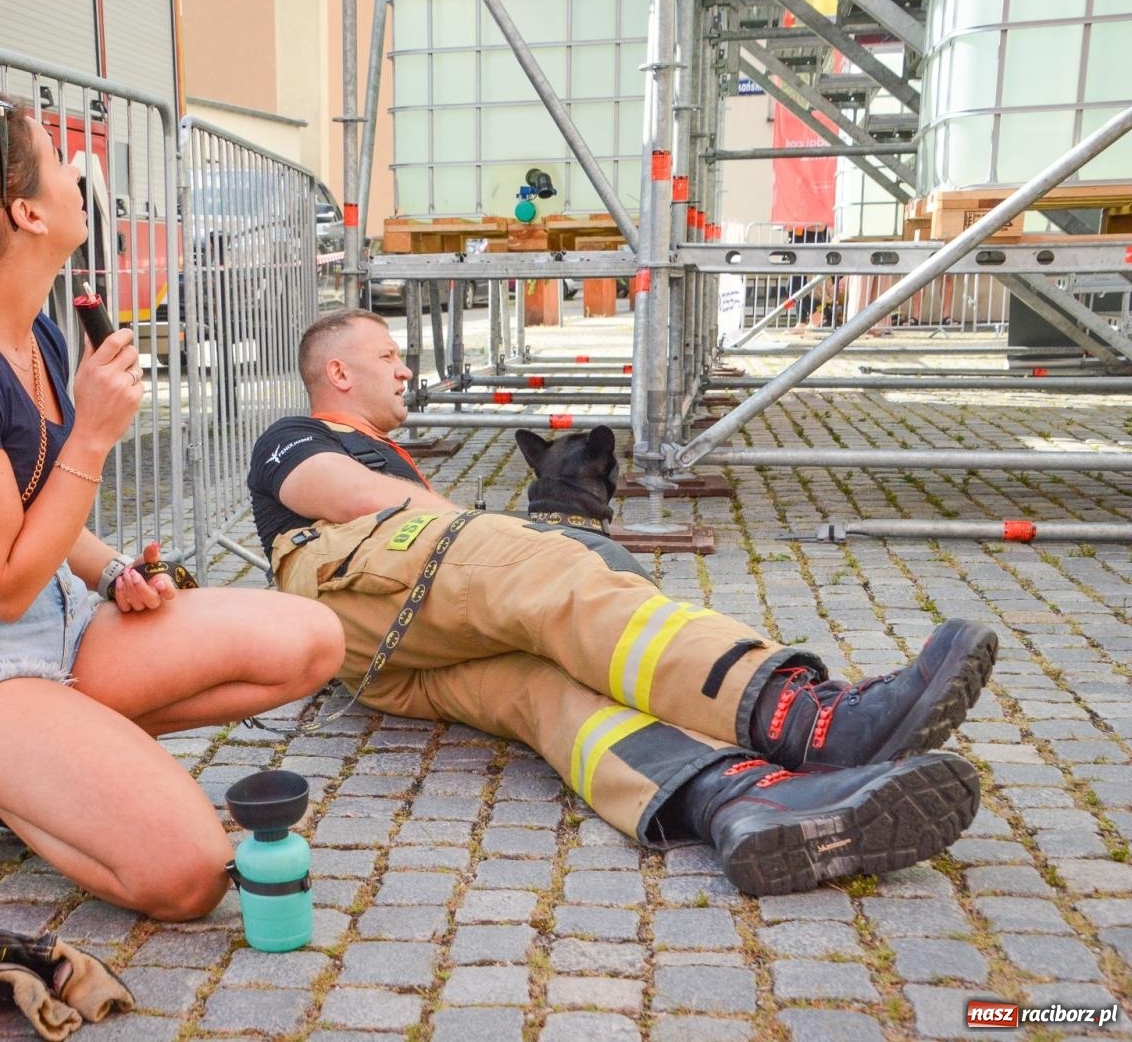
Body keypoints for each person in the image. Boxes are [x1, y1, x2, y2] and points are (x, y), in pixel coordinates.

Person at [248, 308, 997, 897]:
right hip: (345, 591)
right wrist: (507, 534)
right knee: (552, 575)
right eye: (387, 356)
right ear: (338, 372)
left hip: (385, 656)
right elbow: (349, 497)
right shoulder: (298, 435)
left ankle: (741, 799)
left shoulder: (391, 458)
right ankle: (811, 722)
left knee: (548, 691)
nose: (405, 369)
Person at [0, 95, 343, 917]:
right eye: (57, 158)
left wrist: (111, 572)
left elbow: (31, 509)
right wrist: (94, 435)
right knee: (187, 875)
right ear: (27, 212)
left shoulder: (33, 330)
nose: (80, 173)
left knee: (311, 640)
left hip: (51, 615)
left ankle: (3, 772)